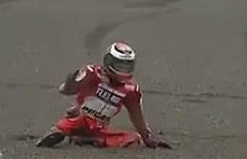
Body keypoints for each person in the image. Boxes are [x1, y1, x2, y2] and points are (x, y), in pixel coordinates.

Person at [36, 42, 170, 149]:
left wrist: (147, 137)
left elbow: (137, 116)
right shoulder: (92, 73)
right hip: (79, 117)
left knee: (133, 140)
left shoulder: (131, 90)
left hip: (99, 126)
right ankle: (64, 132)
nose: (123, 71)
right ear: (108, 61)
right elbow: (65, 90)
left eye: (127, 67)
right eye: (120, 66)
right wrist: (69, 83)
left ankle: (88, 139)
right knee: (62, 128)